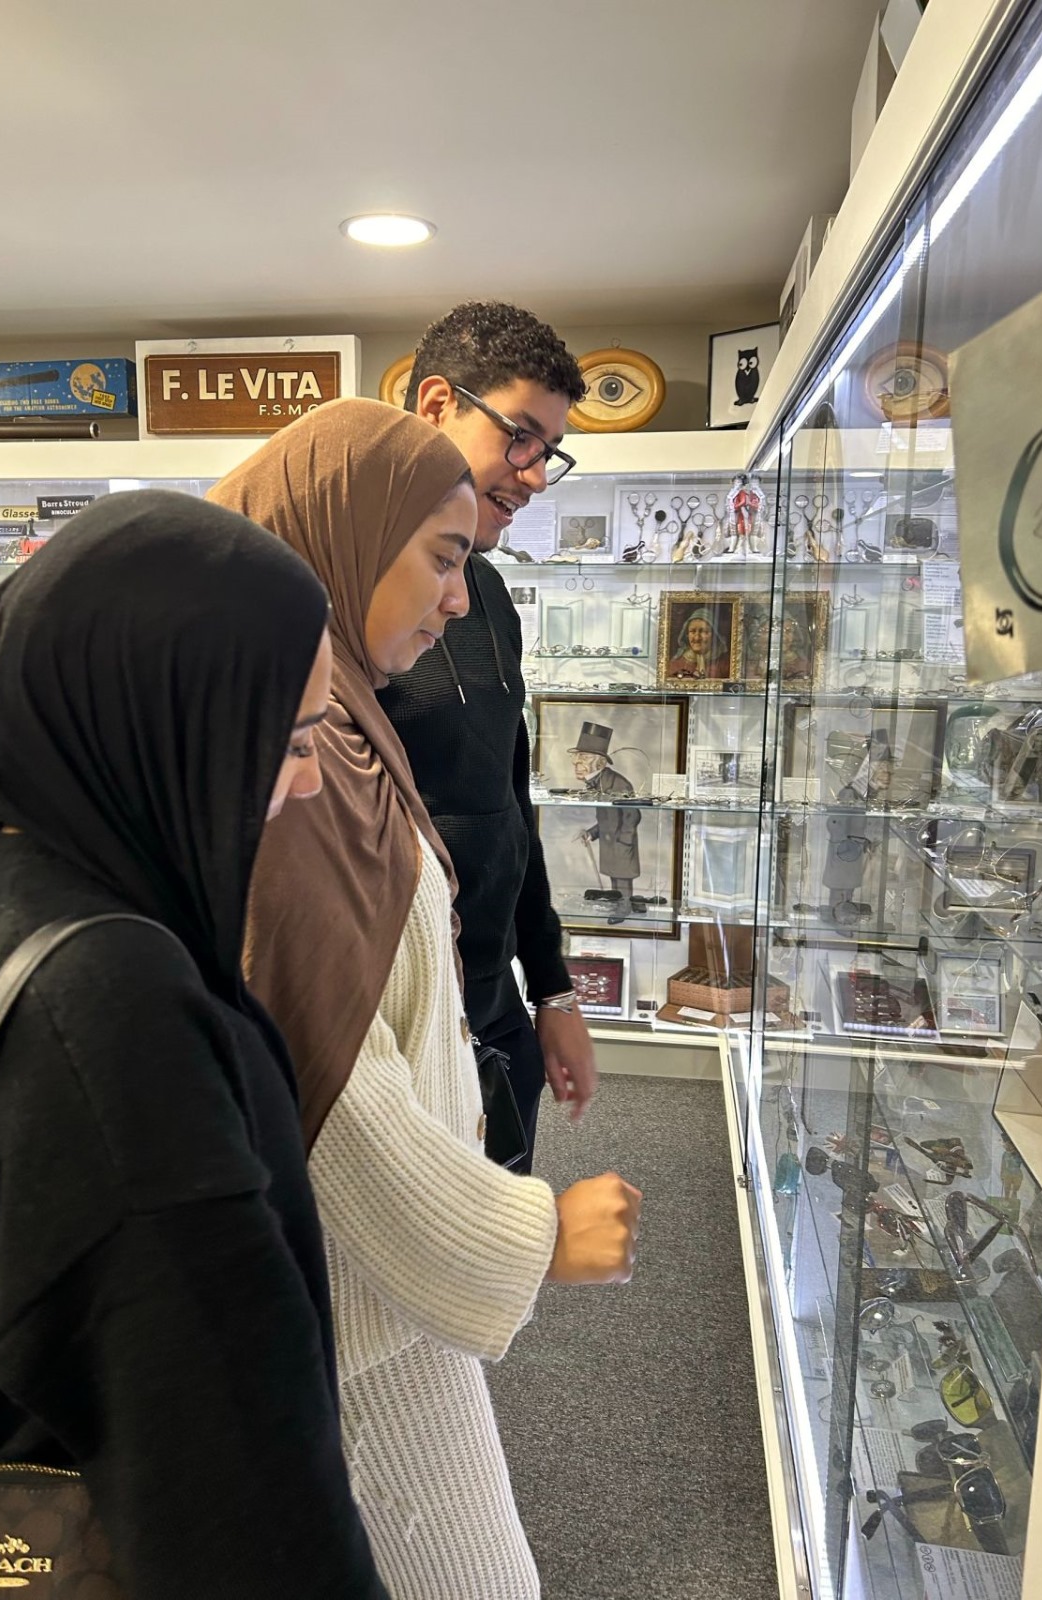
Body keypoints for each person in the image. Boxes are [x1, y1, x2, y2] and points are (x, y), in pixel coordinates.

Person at [0, 492, 389, 1599]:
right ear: (168, 720)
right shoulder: (117, 1011)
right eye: (292, 738)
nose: (305, 782)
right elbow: (237, 1502)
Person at [208, 399, 641, 1600]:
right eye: (441, 559)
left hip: (380, 1297)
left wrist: (546, 983)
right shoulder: (303, 753)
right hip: (359, 1309)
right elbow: (332, 1084)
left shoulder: (335, 720)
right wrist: (527, 1232)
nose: (458, 598)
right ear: (343, 540)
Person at [376, 301, 593, 1172]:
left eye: (549, 451)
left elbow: (509, 802)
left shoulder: (489, 594)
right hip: (393, 1023)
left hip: (493, 1001)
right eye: (521, 438)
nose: (535, 475)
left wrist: (552, 988)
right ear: (436, 406)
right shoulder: (343, 601)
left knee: (503, 1266)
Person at [569, 721, 642, 925]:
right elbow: (606, 818)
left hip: (621, 842)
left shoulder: (618, 783)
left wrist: (625, 840)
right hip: (611, 842)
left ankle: (624, 908)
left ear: (599, 762)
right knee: (614, 875)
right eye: (577, 757)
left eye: (583, 758)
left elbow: (632, 814)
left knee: (623, 878)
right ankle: (619, 903)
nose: (576, 762)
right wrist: (591, 833)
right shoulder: (597, 782)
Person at [668, 607, 732, 680]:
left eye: (703, 631)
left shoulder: (727, 665)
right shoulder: (676, 664)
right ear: (686, 635)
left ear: (715, 635)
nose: (697, 638)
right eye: (692, 631)